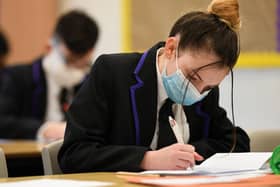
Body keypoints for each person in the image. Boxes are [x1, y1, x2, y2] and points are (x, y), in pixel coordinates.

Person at [58, 0, 249, 173]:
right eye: (192, 77)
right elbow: (74, 154)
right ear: (171, 48)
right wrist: (147, 159)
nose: (197, 91)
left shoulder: (205, 88)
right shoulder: (112, 72)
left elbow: (236, 143)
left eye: (208, 87)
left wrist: (186, 155)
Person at [0, 10, 99, 142]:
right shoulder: (16, 77)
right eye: (68, 60)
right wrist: (44, 129)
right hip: (28, 159)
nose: (73, 68)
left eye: (81, 63)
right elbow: (3, 122)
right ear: (50, 45)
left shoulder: (90, 83)